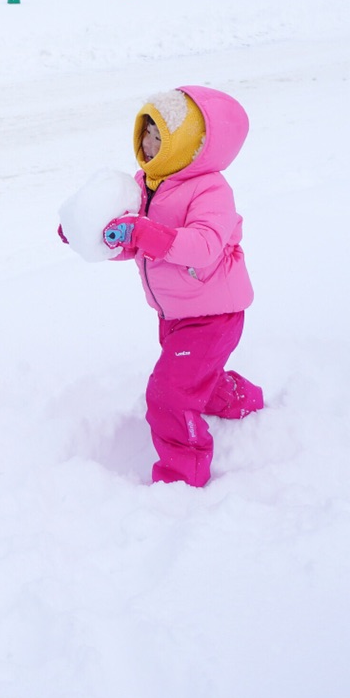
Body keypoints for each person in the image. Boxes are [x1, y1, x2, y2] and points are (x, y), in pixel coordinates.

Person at [98, 86, 263, 486]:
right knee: (195, 382)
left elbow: (204, 245)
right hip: (175, 313)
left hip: (213, 316)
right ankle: (245, 401)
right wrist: (100, 236)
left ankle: (181, 479)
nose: (150, 146)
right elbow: (139, 243)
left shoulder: (210, 188)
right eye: (146, 133)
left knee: (168, 397)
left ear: (191, 143)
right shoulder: (147, 182)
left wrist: (144, 232)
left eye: (161, 137)